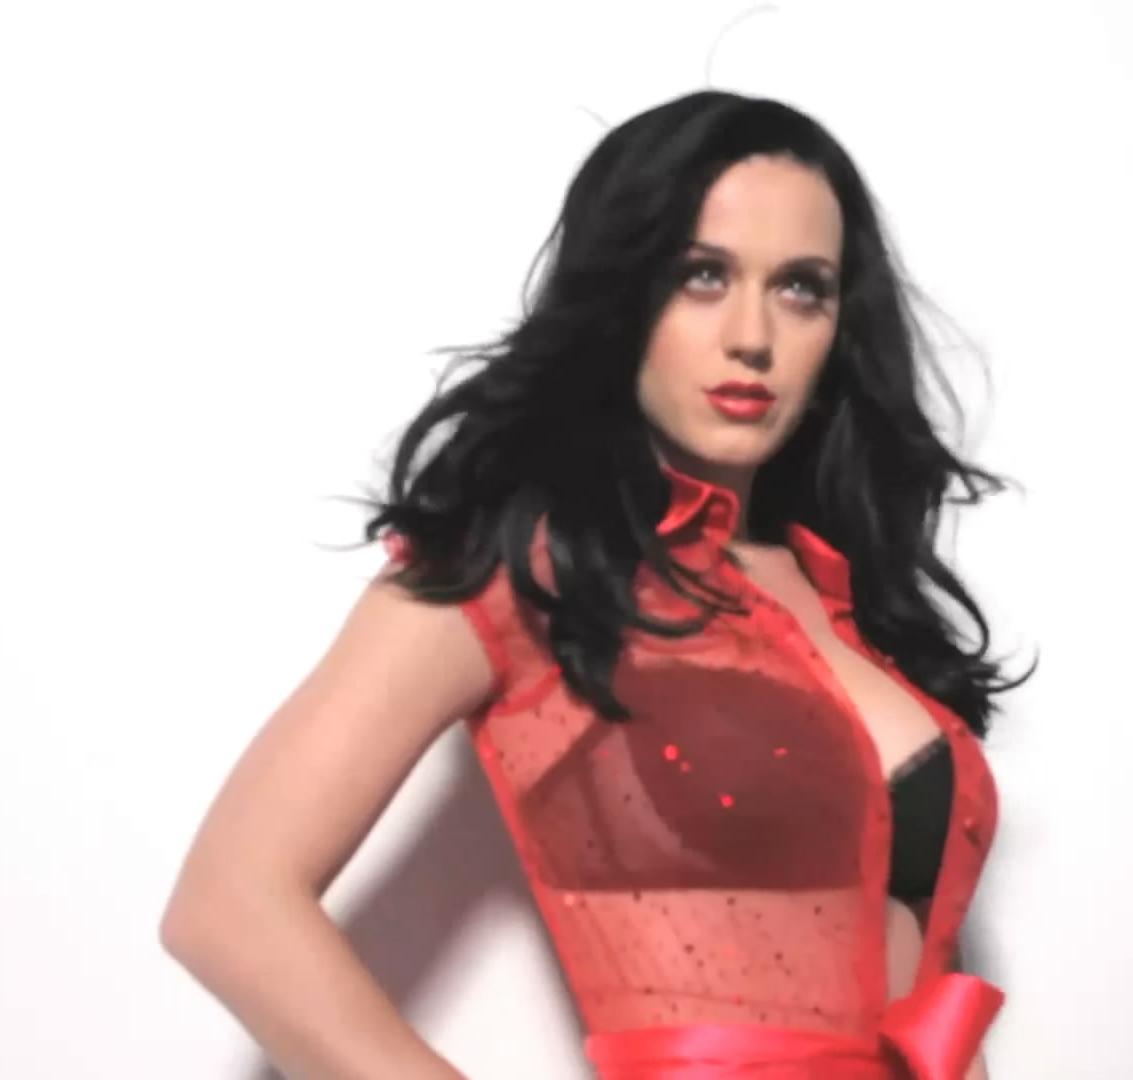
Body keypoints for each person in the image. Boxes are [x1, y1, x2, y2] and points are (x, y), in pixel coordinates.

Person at [160, 89, 1033, 1080]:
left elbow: (932, 996)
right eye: (702, 275)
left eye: (801, 288)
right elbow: (227, 905)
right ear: (623, 295)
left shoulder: (854, 599)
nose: (753, 334)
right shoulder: (525, 569)